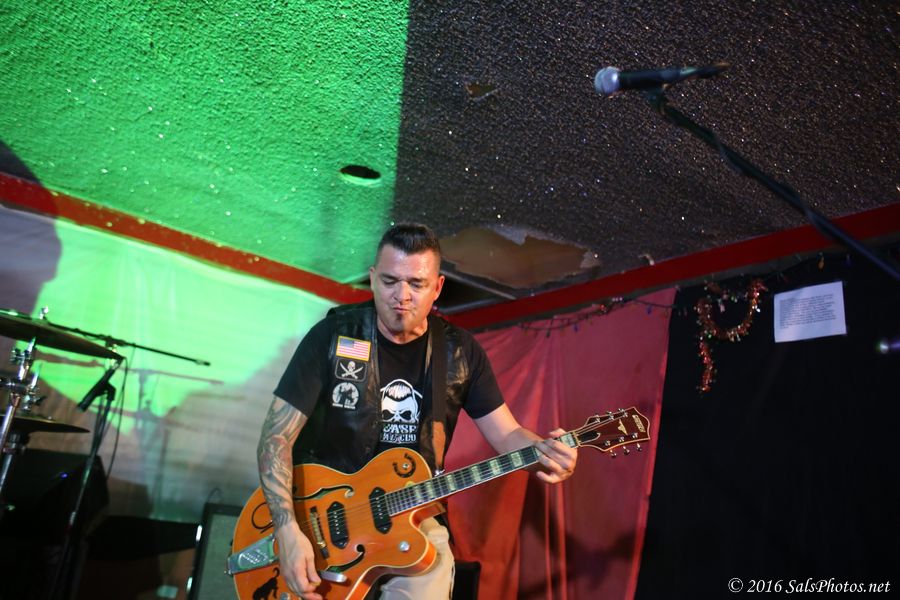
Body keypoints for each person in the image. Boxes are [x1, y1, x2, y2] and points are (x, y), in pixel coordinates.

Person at [257, 223, 577, 600]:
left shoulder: (460, 352)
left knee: (433, 572)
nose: (402, 296)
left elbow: (507, 434)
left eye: (416, 284)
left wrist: (542, 452)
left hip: (414, 512)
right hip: (325, 514)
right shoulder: (333, 336)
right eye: (390, 281)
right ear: (372, 279)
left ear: (437, 287)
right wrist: (287, 529)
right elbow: (275, 437)